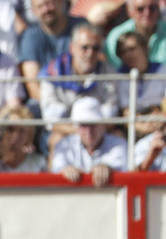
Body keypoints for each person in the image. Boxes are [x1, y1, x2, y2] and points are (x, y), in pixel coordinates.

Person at [40, 24, 118, 156]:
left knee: (118, 136)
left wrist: (91, 132)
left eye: (95, 48)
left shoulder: (109, 73)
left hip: (99, 133)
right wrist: (83, 132)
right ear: (72, 48)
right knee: (56, 139)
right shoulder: (52, 72)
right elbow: (51, 120)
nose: (90, 53)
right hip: (67, 132)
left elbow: (111, 114)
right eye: (85, 47)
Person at [52, 95, 127, 185]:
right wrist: (65, 170)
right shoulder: (64, 144)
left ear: (102, 125)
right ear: (76, 127)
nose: (89, 131)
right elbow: (56, 169)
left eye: (92, 124)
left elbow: (124, 170)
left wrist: (109, 169)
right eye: (83, 125)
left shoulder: (119, 144)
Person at [18, 0, 84, 103]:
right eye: (40, 6)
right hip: (46, 102)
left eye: (50, 3)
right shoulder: (30, 36)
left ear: (61, 3)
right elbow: (33, 85)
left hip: (80, 96)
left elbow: (95, 67)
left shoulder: (81, 28)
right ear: (34, 11)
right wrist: (53, 109)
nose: (46, 9)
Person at [0, 101, 47, 171]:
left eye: (21, 131)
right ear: (0, 132)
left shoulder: (39, 163)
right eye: (10, 129)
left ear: (29, 136)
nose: (15, 136)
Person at [112, 29, 166, 119]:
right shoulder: (119, 76)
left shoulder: (162, 70)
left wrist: (160, 119)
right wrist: (141, 127)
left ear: (144, 48)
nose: (128, 55)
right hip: (134, 126)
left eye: (132, 49)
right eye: (123, 52)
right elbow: (125, 110)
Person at [106, 0, 166, 69]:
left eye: (152, 8)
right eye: (140, 9)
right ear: (129, 11)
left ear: (158, 9)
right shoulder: (115, 36)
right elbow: (113, 69)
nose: (147, 13)